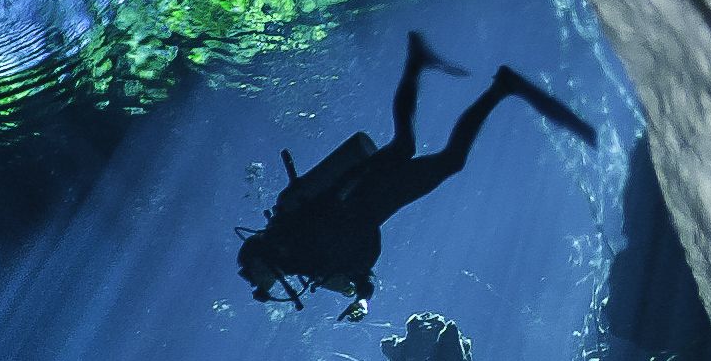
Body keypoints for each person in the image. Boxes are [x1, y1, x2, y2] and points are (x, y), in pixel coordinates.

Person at [237, 32, 598, 320]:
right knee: (409, 144)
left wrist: (357, 288)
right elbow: (356, 277)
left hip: (371, 191)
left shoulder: (294, 244)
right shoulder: (298, 258)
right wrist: (361, 298)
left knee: (447, 159)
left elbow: (345, 255)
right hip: (372, 192)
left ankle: (498, 86)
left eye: (252, 277)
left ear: (257, 259)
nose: (259, 287)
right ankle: (423, 63)